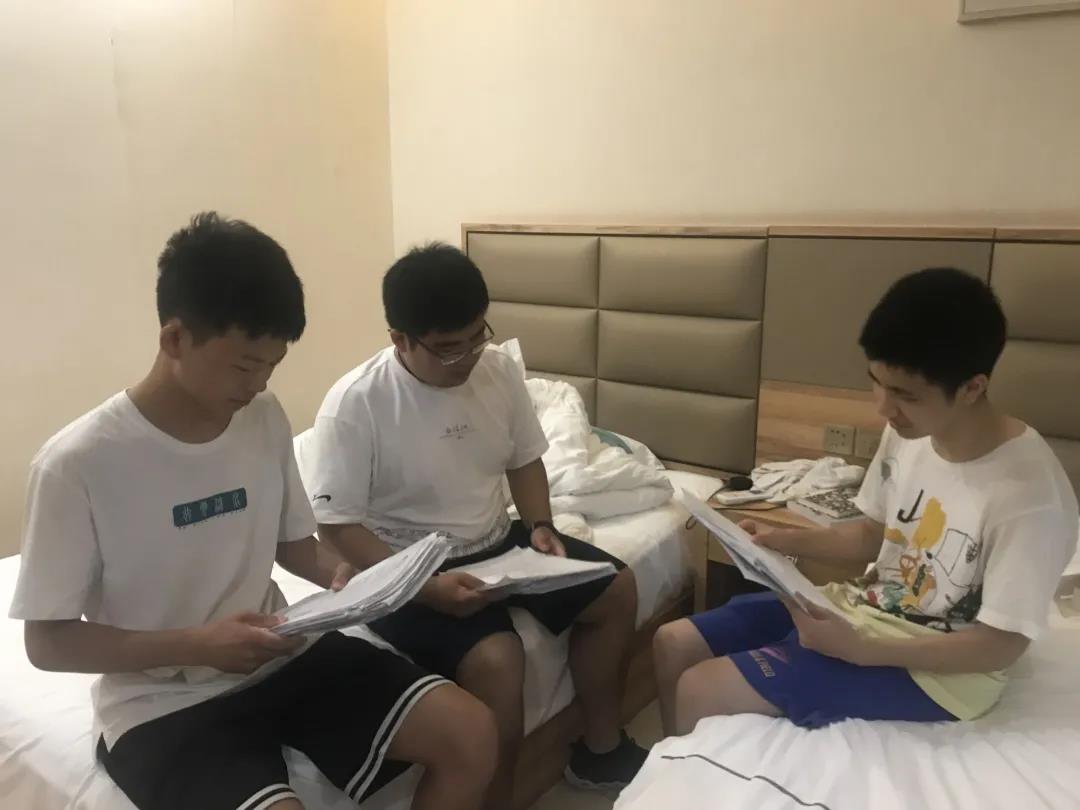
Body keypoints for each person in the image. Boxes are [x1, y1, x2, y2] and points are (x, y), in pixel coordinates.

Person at [9, 214, 497, 810]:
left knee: (472, 734)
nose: (259, 384)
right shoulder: (77, 464)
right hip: (161, 702)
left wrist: (351, 581)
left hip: (282, 652)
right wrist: (198, 645)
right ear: (174, 339)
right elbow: (48, 644)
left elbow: (294, 547)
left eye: (272, 364)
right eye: (245, 365)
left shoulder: (262, 417)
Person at [653, 267, 1078, 736]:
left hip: (939, 674)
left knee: (701, 688)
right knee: (674, 643)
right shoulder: (911, 433)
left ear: (972, 388)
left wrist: (862, 650)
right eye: (877, 382)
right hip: (863, 608)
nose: (883, 407)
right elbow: (872, 536)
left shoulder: (1030, 497)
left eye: (904, 394)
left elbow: (999, 647)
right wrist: (778, 539)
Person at [296, 243, 648, 806]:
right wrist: (423, 586)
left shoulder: (497, 369)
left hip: (498, 543)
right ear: (400, 340)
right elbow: (336, 528)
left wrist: (539, 525)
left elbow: (524, 460)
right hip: (403, 563)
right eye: (447, 349)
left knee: (616, 588)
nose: (466, 358)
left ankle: (600, 750)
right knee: (498, 662)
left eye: (475, 337)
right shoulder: (356, 403)